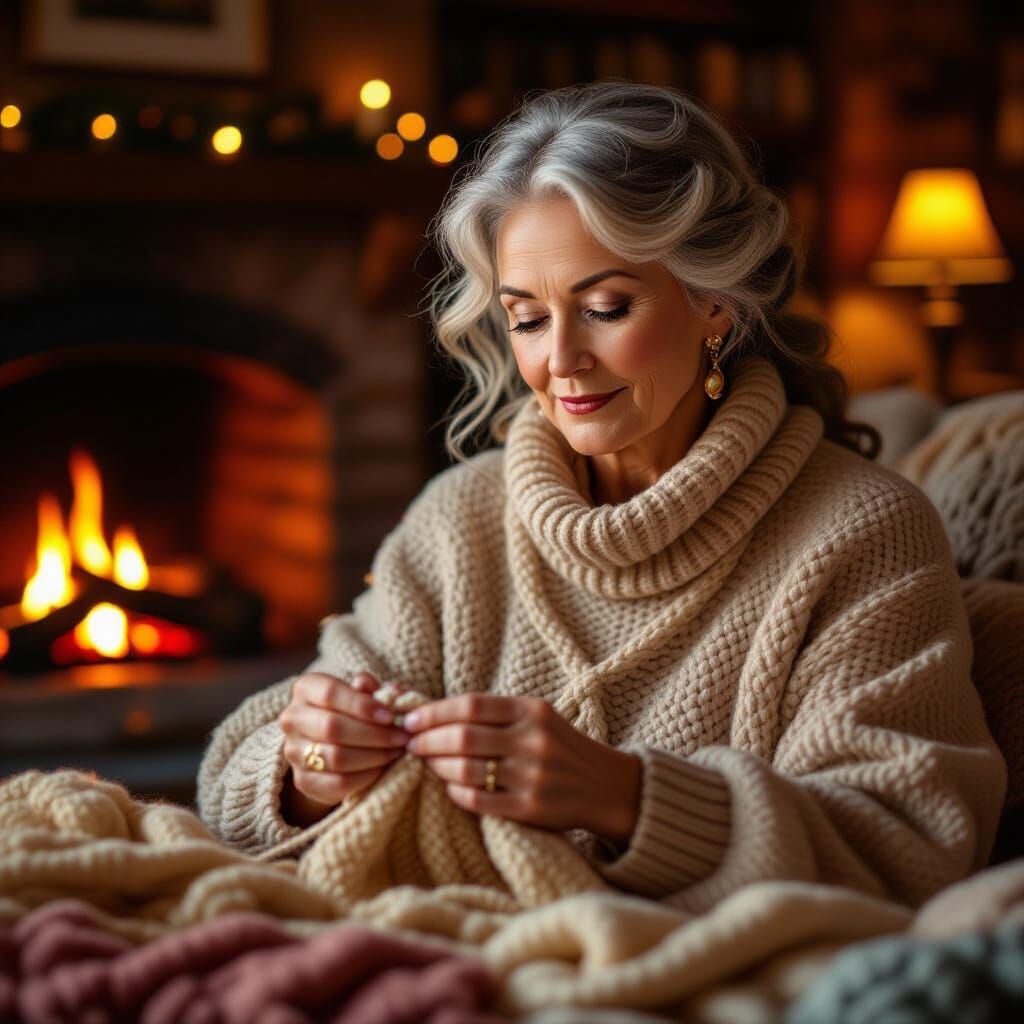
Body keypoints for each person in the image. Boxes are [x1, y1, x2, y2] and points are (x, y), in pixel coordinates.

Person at [197, 81, 1007, 912]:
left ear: (715, 305)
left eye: (606, 307)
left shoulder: (864, 533)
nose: (561, 361)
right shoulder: (459, 517)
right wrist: (311, 771)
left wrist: (625, 797)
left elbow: (910, 842)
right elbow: (232, 785)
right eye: (527, 319)